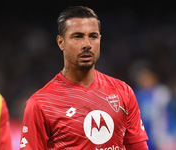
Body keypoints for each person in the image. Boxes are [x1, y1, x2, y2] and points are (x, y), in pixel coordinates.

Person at [20, 6, 148, 150]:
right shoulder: (40, 104)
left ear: (99, 40)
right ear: (61, 42)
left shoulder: (123, 92)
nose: (87, 44)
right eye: (78, 36)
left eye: (93, 36)